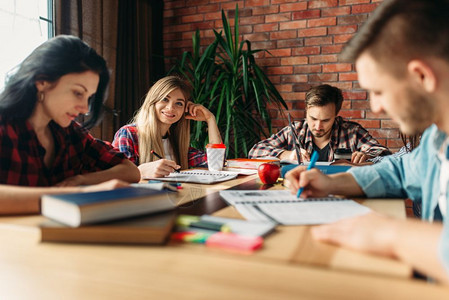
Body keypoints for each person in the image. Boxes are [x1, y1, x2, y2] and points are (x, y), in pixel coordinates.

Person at [285, 0, 449, 284]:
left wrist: (387, 233)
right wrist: (331, 182)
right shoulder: (437, 138)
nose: (375, 107)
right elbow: (398, 171)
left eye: (379, 91)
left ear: (421, 76)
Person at [0, 35, 141, 215]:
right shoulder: (5, 127)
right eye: (77, 93)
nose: (84, 109)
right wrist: (80, 194)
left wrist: (82, 180)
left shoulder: (69, 133)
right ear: (42, 81)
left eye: (89, 97)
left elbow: (130, 171)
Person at [248, 84, 390, 164]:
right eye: (313, 118)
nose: (318, 126)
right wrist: (287, 155)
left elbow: (385, 155)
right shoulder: (296, 130)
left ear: (336, 115)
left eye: (326, 120)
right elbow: (255, 151)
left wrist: (366, 156)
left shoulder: (352, 132)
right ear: (306, 111)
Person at [112, 76, 222, 178]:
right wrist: (141, 172)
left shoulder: (175, 142)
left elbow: (216, 163)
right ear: (153, 102)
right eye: (165, 99)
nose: (170, 108)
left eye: (179, 103)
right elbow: (118, 177)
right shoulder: (128, 134)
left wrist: (210, 119)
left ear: (185, 110)